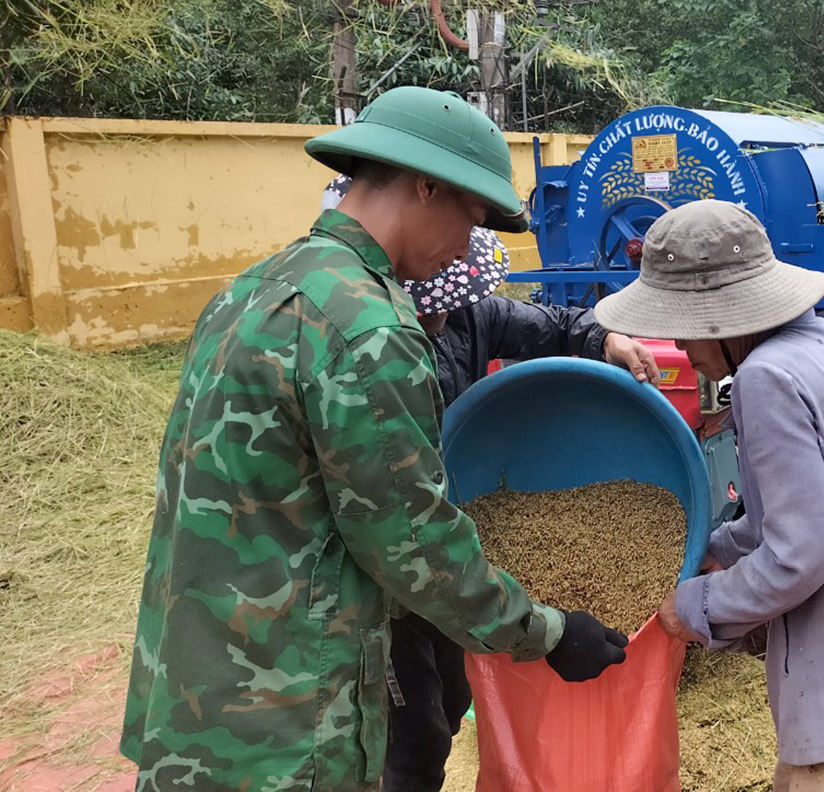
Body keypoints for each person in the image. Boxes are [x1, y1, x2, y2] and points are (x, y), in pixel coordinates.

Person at [120, 86, 630, 792]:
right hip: (288, 713)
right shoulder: (368, 328)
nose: (466, 246)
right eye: (472, 217)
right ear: (425, 187)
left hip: (194, 693)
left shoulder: (253, 289)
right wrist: (545, 633)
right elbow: (413, 544)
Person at [598, 199, 824, 791]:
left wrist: (697, 606)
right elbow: (806, 503)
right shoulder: (822, 345)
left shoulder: (765, 378)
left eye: (684, 328)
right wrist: (723, 547)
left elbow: (805, 550)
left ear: (718, 315)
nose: (684, 350)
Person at [323, 174, 660, 792]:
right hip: (389, 576)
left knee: (449, 700)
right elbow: (398, 533)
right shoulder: (371, 343)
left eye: (454, 297)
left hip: (453, 554)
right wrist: (548, 633)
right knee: (409, 732)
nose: (444, 312)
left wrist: (603, 337)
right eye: (430, 302)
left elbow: (545, 325)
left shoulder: (468, 316)